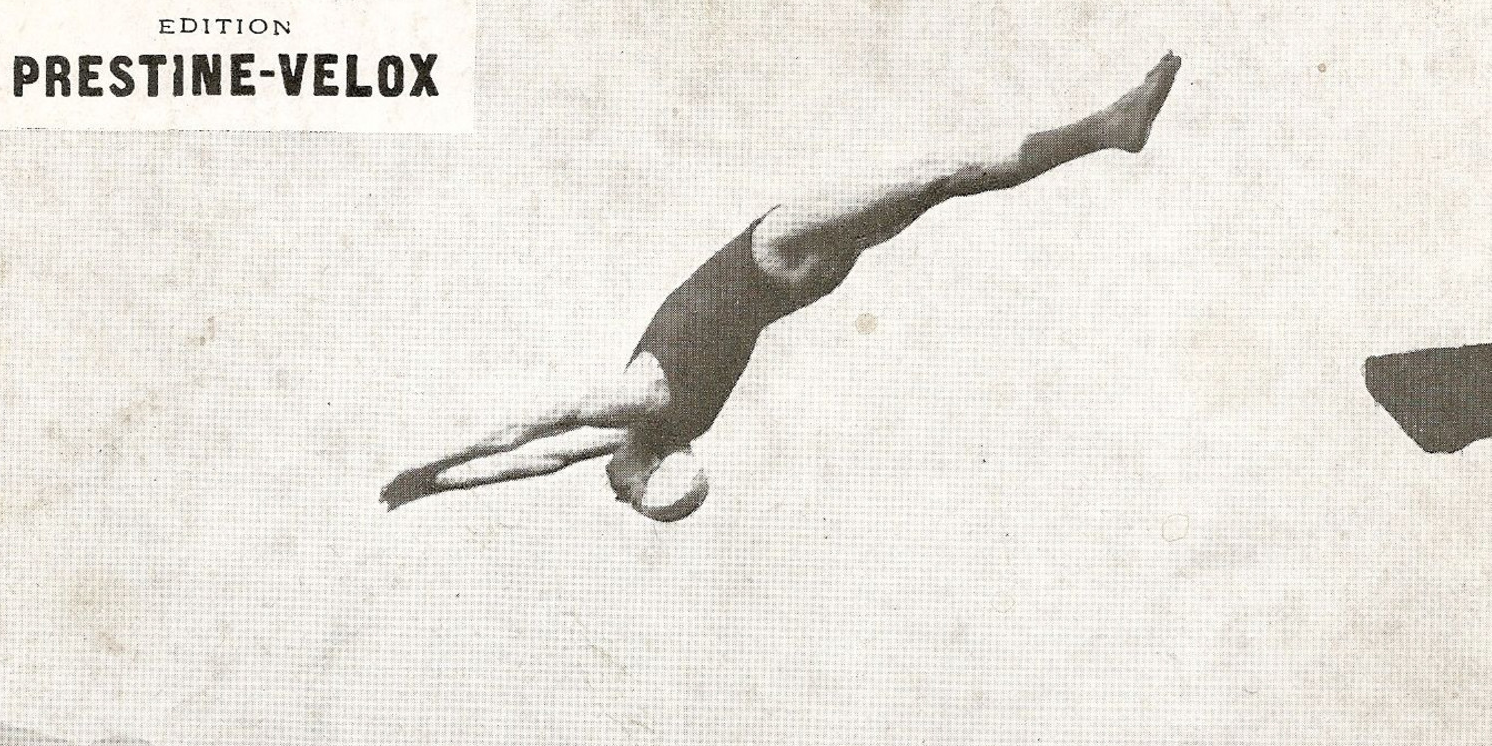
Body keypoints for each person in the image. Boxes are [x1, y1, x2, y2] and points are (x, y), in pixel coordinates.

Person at [382, 53, 1182, 522]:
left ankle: (1106, 131)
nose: (613, 489)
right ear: (645, 468)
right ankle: (1107, 131)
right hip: (775, 252)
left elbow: (534, 456)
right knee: (937, 174)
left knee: (935, 185)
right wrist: (431, 464)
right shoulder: (642, 404)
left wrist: (433, 483)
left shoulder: (662, 421)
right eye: (627, 496)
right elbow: (535, 423)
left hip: (799, 286)